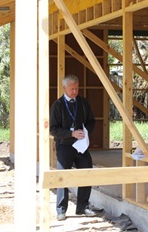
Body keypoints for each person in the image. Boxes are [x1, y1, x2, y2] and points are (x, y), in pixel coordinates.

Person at [50, 74, 97, 221]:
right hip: (64, 146)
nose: (75, 92)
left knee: (86, 173)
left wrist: (85, 132)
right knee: (63, 176)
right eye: (71, 89)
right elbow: (53, 129)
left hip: (81, 146)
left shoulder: (83, 102)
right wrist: (71, 133)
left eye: (76, 89)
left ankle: (83, 206)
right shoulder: (58, 105)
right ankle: (61, 210)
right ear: (64, 88)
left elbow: (91, 121)